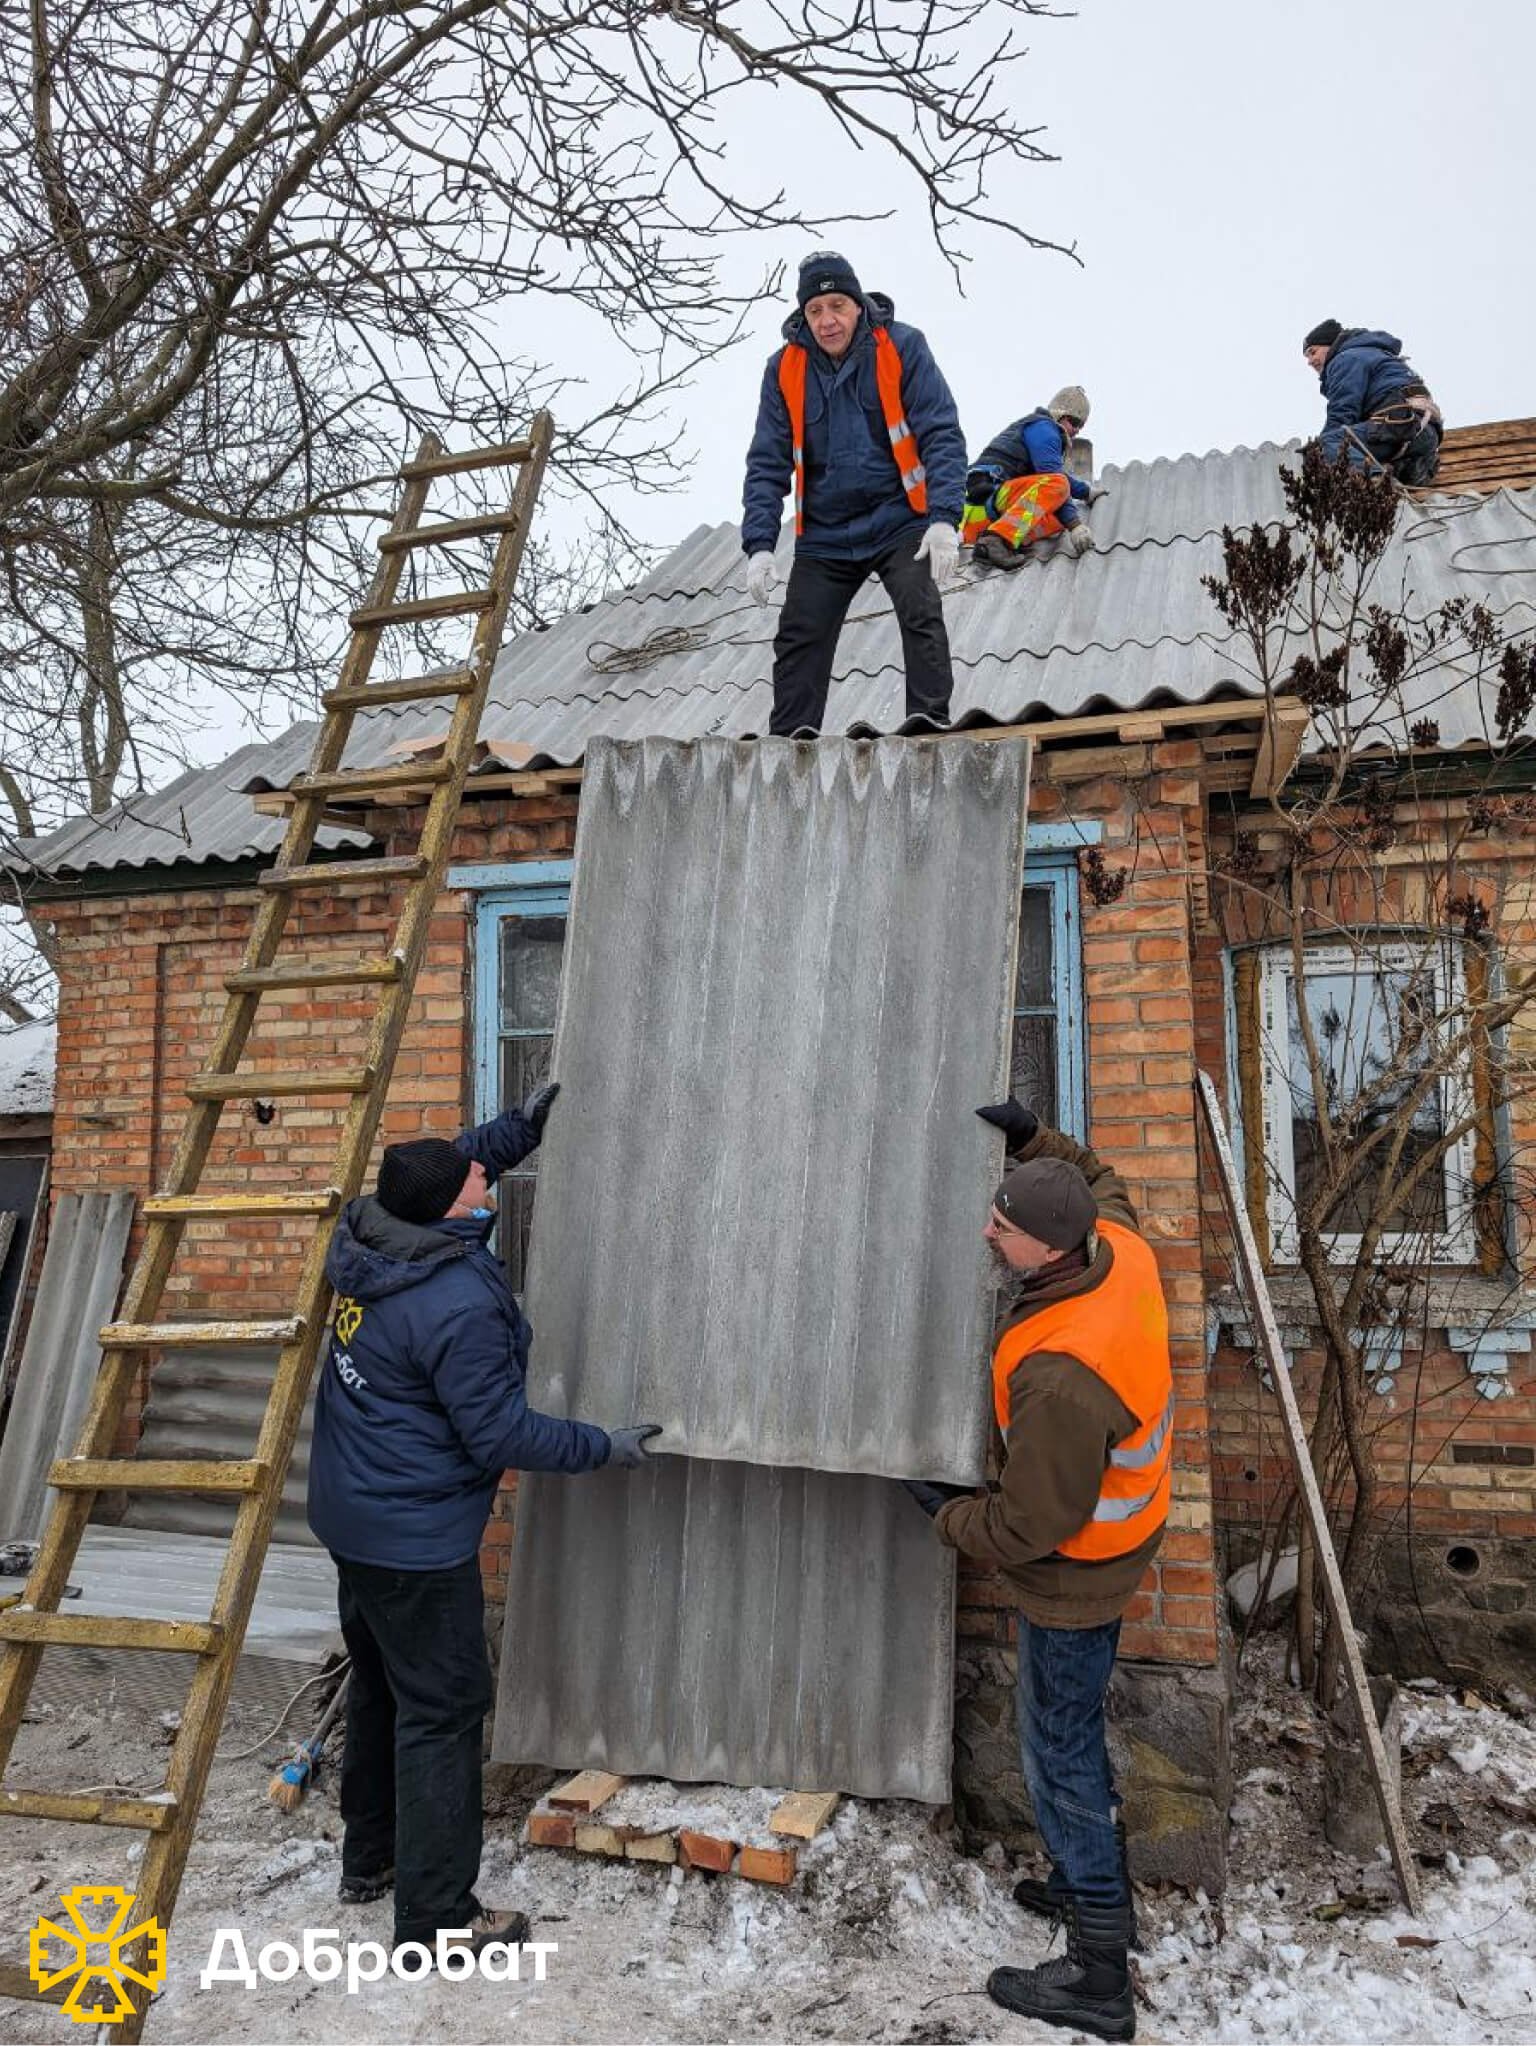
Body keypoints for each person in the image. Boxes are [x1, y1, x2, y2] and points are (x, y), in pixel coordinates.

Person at [307, 1081, 660, 1965]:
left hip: (355, 1515)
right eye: (478, 1183)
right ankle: (436, 1918)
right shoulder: (454, 1301)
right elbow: (499, 1431)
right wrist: (602, 1447)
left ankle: (372, 1858)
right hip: (416, 1540)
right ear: (450, 1210)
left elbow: (445, 1167)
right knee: (445, 1710)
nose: (488, 1186)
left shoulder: (369, 1233)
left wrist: (516, 1132)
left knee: (387, 1687)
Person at [903, 1101, 1172, 2044]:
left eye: (1003, 1225)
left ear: (1048, 1250)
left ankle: (1100, 1967)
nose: (988, 1230)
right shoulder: (1119, 1249)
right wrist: (1033, 1142)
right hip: (1118, 1539)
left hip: (1076, 1571)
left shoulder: (1061, 1372)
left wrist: (945, 1515)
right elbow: (1099, 1179)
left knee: (1060, 1757)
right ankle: (1075, 1884)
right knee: (1057, 1738)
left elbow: (1027, 1524)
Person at [741, 250, 967, 736]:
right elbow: (767, 461)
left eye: (837, 306)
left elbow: (941, 433)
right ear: (803, 317)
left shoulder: (902, 347)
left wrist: (945, 516)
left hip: (899, 518)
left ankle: (928, 722)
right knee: (799, 633)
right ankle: (789, 742)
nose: (827, 321)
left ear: (859, 305)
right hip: (826, 532)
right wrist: (759, 545)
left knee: (919, 604)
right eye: (815, 311)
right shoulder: (783, 370)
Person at [963, 389, 1102, 570]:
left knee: (1056, 517)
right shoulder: (1043, 427)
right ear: (1059, 415)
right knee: (1059, 486)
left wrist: (1085, 491)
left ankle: (1005, 541)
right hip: (980, 507)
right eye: (1074, 422)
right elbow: (1055, 478)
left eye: (1080, 426)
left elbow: (1052, 482)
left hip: (981, 523)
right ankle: (996, 541)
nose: (1076, 431)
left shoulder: (1041, 432)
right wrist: (1075, 525)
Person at [1303, 318, 1442, 485]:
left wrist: (1320, 450)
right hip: (1425, 432)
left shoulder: (1345, 358)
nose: (1310, 361)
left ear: (1330, 345)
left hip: (1399, 427)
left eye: (1313, 352)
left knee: (1328, 445)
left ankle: (1374, 483)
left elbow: (1343, 411)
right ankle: (1405, 470)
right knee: (1393, 480)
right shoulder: (1372, 354)